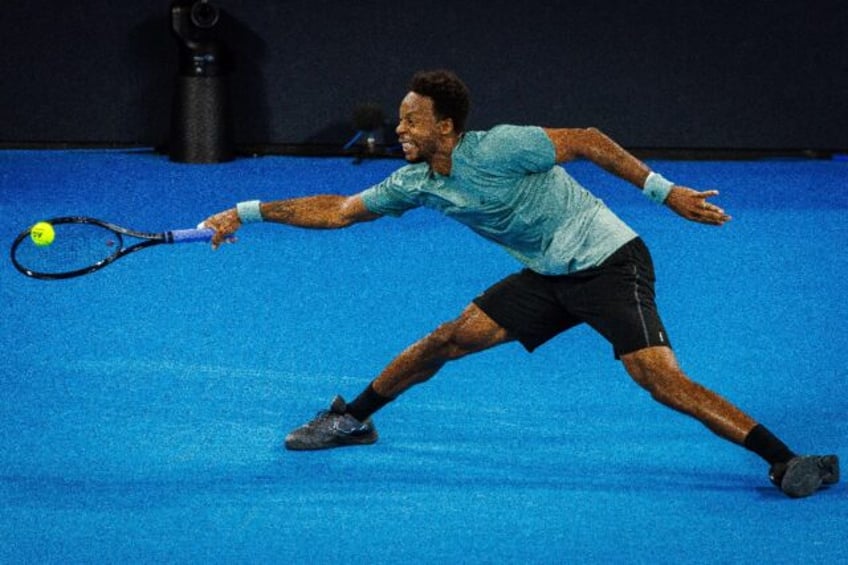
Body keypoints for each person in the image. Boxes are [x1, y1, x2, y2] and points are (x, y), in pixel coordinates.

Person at [201, 70, 839, 498]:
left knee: (658, 379)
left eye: (411, 121)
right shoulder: (416, 182)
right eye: (399, 120)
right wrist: (248, 211)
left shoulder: (502, 148)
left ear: (446, 127)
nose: (399, 130)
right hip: (548, 276)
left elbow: (586, 140)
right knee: (446, 340)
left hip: (609, 260)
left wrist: (664, 192)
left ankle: (786, 459)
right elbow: (338, 210)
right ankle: (352, 421)